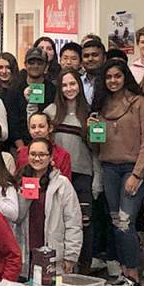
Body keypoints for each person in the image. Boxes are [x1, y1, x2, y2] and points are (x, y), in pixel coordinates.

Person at [89, 59, 144, 286]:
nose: (113, 81)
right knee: (116, 221)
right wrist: (91, 130)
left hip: (133, 170)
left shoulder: (140, 103)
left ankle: (133, 274)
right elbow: (97, 148)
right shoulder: (102, 107)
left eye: (117, 76)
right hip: (109, 169)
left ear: (125, 76)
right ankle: (125, 271)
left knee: (126, 222)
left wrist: (137, 174)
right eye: (108, 77)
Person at [44, 69, 98, 268]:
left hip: (82, 174)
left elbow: (96, 150)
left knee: (83, 223)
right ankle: (61, 266)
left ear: (80, 85)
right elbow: (37, 133)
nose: (69, 88)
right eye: (65, 85)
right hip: (57, 175)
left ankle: (83, 268)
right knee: (59, 220)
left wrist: (97, 180)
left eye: (73, 84)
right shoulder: (51, 111)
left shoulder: (90, 113)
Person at [14, 137, 83, 275]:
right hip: (25, 254)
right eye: (33, 154)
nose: (37, 158)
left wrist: (70, 256)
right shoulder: (18, 181)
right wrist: (24, 196)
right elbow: (15, 217)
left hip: (53, 255)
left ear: (50, 157)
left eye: (42, 155)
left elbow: (73, 221)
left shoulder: (62, 184)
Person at [8, 47, 56, 150]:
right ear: (25, 65)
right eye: (31, 63)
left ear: (46, 66)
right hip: (20, 146)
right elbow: (12, 121)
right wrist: (21, 147)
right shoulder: (14, 88)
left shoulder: (53, 90)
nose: (35, 66)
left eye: (40, 63)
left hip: (46, 145)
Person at [80, 38, 106, 104]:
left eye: (95, 55)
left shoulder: (110, 82)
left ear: (104, 58)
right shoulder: (77, 82)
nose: (90, 59)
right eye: (86, 56)